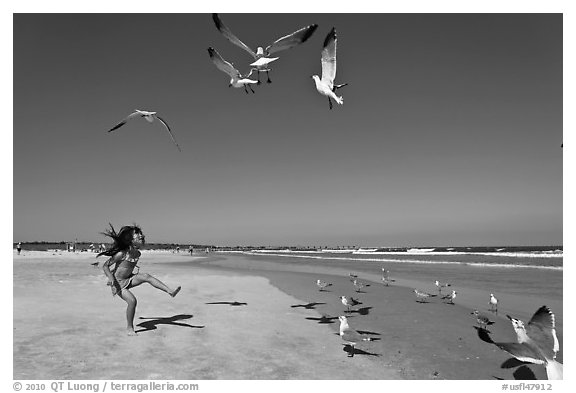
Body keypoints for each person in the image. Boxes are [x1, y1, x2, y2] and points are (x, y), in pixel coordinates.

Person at [98, 224, 181, 336]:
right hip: (118, 284)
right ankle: (129, 328)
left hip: (128, 278)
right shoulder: (121, 253)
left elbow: (127, 268)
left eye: (141, 234)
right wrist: (111, 278)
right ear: (130, 238)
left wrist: (132, 275)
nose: (141, 236)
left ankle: (170, 291)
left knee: (146, 276)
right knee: (132, 301)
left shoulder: (137, 253)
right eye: (137, 234)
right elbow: (105, 266)